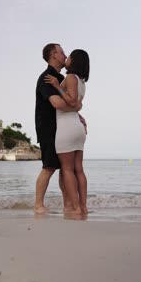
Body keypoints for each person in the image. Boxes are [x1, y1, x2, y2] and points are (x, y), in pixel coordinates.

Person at [34, 43, 82, 213]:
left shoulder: (60, 79)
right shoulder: (47, 77)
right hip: (47, 127)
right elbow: (57, 103)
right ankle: (39, 205)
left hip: (61, 127)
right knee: (49, 166)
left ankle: (67, 205)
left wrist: (79, 115)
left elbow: (69, 101)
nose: (65, 55)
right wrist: (77, 107)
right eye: (62, 53)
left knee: (64, 168)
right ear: (53, 55)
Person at [45, 49, 90, 215]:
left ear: (75, 61)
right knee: (79, 169)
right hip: (77, 128)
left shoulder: (70, 77)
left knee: (67, 170)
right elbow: (77, 103)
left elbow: (71, 101)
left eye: (69, 56)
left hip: (66, 126)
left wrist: (57, 86)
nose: (67, 58)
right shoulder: (82, 81)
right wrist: (79, 107)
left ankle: (76, 208)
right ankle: (83, 207)